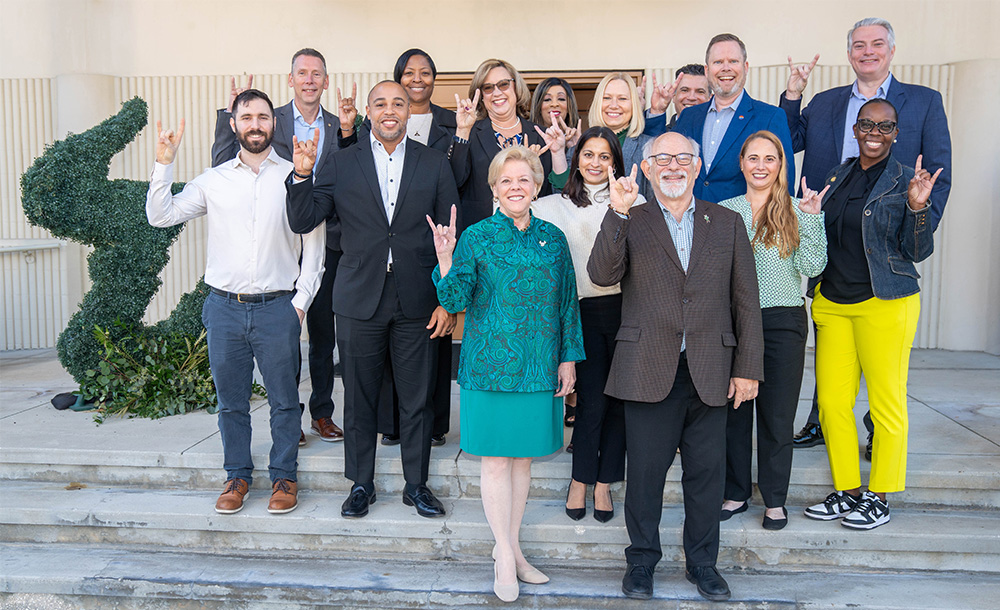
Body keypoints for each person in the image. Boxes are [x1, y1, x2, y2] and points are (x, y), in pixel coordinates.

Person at [588, 132, 764, 602]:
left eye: (682, 157)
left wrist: (748, 367)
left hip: (711, 369)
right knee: (644, 475)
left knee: (706, 477)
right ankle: (642, 561)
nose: (672, 166)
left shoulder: (725, 221)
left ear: (698, 164)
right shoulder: (632, 216)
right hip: (648, 368)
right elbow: (602, 273)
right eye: (661, 158)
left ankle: (702, 565)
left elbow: (746, 299)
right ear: (645, 169)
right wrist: (618, 211)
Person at [286, 81, 459, 520]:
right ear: (368, 111)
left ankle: (416, 486)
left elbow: (451, 239)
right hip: (358, 298)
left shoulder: (434, 163)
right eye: (380, 103)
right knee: (359, 398)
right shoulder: (342, 163)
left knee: (417, 399)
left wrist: (449, 299)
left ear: (408, 111)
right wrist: (302, 174)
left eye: (397, 104)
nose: (389, 111)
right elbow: (303, 218)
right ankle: (361, 483)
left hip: (418, 299)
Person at [147, 90, 326, 515]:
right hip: (224, 307)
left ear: (274, 124)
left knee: (284, 400)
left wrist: (299, 304)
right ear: (234, 124)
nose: (256, 124)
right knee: (231, 402)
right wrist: (163, 162)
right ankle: (238, 476)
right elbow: (160, 215)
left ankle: (284, 476)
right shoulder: (214, 180)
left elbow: (314, 250)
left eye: (263, 116)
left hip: (277, 307)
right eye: (247, 117)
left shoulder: (296, 176)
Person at [781, 17, 952, 450]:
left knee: (881, 348)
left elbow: (939, 172)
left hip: (887, 242)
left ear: (891, 51)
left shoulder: (923, 101)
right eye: (859, 45)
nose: (868, 51)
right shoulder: (825, 101)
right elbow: (788, 139)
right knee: (830, 334)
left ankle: (879, 425)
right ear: (850, 53)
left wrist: (917, 229)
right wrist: (793, 95)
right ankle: (823, 419)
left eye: (877, 44)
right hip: (829, 233)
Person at [430, 146, 584, 603]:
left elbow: (567, 305)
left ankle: (513, 549)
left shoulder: (553, 239)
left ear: (536, 186)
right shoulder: (476, 238)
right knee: (497, 461)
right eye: (506, 180)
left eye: (524, 179)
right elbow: (455, 300)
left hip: (539, 367)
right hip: (490, 367)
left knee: (523, 462)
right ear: (494, 188)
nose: (515, 187)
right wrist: (445, 257)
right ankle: (503, 555)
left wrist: (569, 358)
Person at [803, 99, 938, 530]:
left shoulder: (904, 180)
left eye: (885, 125)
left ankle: (878, 495)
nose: (875, 131)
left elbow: (918, 251)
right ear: (856, 129)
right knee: (833, 404)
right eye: (867, 124)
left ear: (896, 132)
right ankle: (847, 490)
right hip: (833, 303)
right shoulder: (838, 174)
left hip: (886, 302)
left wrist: (918, 209)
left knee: (886, 405)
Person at [211, 48, 357, 445]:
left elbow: (349, 175)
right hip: (277, 243)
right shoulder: (265, 119)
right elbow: (224, 161)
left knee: (325, 336)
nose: (310, 79)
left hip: (331, 243)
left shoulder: (339, 122)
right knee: (284, 336)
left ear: (326, 82)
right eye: (302, 73)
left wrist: (348, 132)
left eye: (317, 74)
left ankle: (322, 414)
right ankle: (288, 415)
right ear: (290, 79)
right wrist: (229, 118)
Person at [717, 131, 828, 530]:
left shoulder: (798, 210)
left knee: (777, 415)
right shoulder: (723, 211)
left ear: (781, 165)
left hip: (782, 320)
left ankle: (776, 499)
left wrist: (814, 220)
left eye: (770, 158)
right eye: (754, 158)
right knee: (734, 412)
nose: (761, 166)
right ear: (741, 163)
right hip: (732, 321)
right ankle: (735, 492)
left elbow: (813, 267)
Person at [533, 127, 641, 524]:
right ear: (577, 159)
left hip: (626, 312)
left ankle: (604, 483)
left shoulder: (635, 202)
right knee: (593, 400)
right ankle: (581, 479)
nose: (595, 163)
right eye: (589, 154)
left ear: (616, 162)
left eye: (605, 156)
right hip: (580, 311)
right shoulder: (551, 205)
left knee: (619, 402)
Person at [376, 48, 458, 449]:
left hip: (434, 247)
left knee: (433, 343)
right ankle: (392, 422)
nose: (417, 79)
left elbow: (456, 181)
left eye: (425, 72)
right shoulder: (377, 123)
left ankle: (434, 424)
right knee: (392, 348)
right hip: (389, 252)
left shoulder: (452, 122)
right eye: (409, 73)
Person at [649, 34, 796, 204]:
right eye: (718, 62)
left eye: (733, 61)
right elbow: (661, 157)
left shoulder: (770, 117)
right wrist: (657, 112)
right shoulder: (690, 116)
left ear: (746, 67)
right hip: (690, 222)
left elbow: (785, 182)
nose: (726, 68)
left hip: (744, 226)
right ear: (707, 70)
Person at [450, 59, 559, 233]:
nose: (497, 92)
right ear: (482, 96)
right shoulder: (470, 132)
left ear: (516, 87)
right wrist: (462, 131)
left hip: (532, 237)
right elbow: (453, 182)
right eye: (488, 88)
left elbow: (554, 193)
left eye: (503, 84)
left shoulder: (541, 135)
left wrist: (531, 166)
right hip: (482, 238)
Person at [585, 73, 654, 201]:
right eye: (606, 98)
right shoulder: (579, 147)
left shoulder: (650, 148)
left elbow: (654, 204)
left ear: (634, 104)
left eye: (622, 99)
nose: (614, 105)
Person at [643, 64, 711, 131]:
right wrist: (657, 111)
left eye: (700, 91)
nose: (691, 97)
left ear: (710, 98)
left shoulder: (718, 134)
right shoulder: (661, 134)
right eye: (684, 90)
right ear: (674, 96)